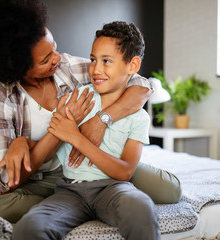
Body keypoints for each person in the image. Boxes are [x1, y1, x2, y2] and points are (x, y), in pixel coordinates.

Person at [0, 0, 181, 224]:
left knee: (169, 191)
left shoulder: (68, 67)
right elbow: (4, 180)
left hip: (90, 164)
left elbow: (141, 85)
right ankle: (79, 204)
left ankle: (76, 202)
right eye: (46, 59)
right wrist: (43, 134)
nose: (57, 58)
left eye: (54, 48)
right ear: (16, 67)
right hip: (39, 180)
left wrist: (101, 120)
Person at [13, 21, 160, 240]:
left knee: (141, 207)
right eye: (93, 59)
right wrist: (21, 142)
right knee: (29, 226)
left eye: (106, 61)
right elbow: (51, 148)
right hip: (69, 191)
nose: (96, 69)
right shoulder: (76, 98)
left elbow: (125, 172)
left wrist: (77, 138)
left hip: (112, 189)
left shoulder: (138, 117)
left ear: (132, 65)